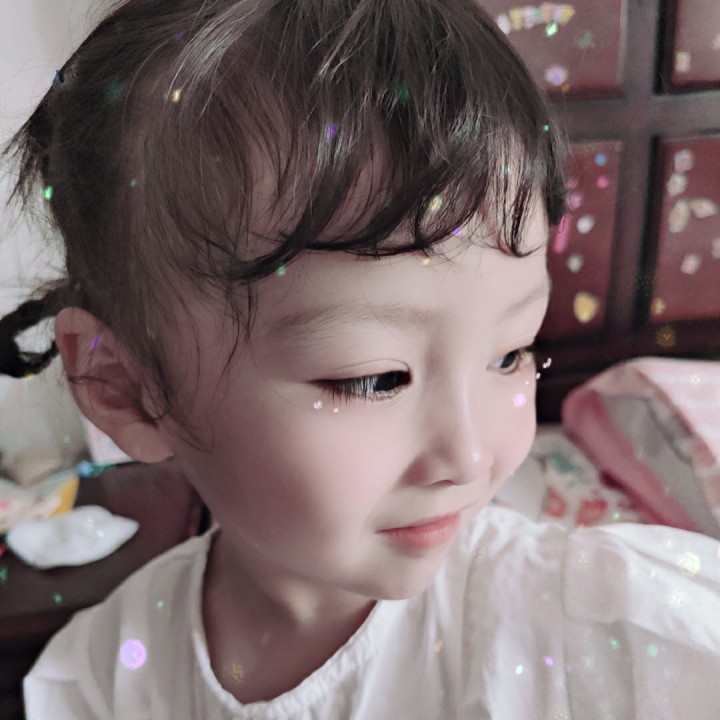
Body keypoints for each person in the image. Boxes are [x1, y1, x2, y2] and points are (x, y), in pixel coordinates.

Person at [2, 0, 718, 717]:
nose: (470, 457)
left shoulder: (608, 631)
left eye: (510, 354)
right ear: (125, 387)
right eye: (374, 379)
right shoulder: (102, 674)